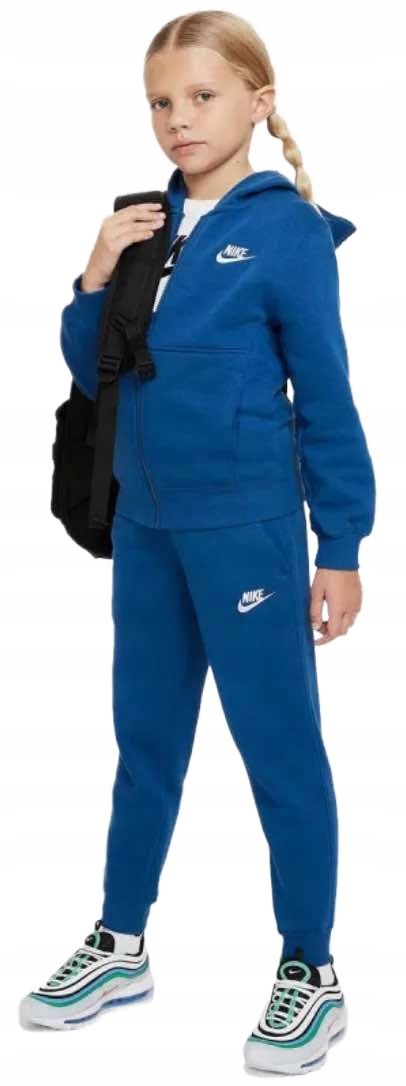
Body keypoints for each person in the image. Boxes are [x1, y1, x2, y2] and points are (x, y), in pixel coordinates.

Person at [20, 9, 375, 1073]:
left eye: (202, 97)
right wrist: (94, 270)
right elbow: (93, 368)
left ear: (259, 103)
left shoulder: (287, 233)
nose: (179, 119)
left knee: (280, 751)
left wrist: (341, 545)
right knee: (145, 742)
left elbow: (327, 396)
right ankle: (120, 942)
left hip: (248, 535)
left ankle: (310, 966)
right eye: (161, 103)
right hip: (147, 530)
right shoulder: (144, 221)